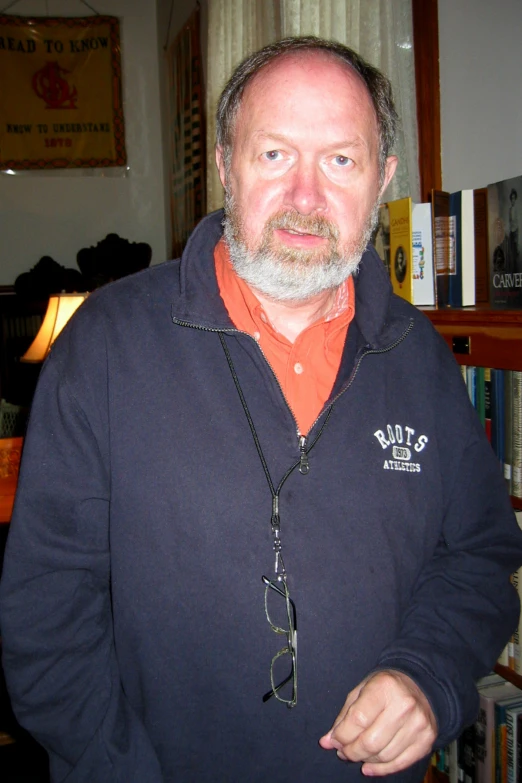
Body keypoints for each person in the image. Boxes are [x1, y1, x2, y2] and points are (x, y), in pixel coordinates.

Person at [1, 36, 521, 783]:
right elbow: (47, 620)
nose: (306, 198)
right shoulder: (104, 348)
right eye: (275, 154)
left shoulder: (424, 360)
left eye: (340, 160)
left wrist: (427, 674)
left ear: (382, 181)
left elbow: (479, 557)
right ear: (224, 165)